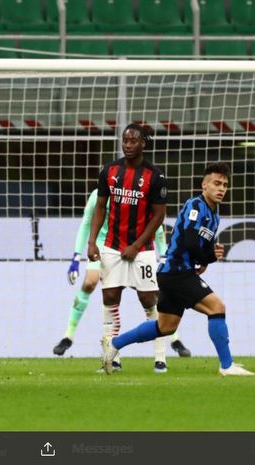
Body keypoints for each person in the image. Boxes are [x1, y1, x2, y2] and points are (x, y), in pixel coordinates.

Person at [103, 163, 253, 376]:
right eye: (216, 183)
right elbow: (191, 243)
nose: (221, 189)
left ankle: (115, 343)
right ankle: (227, 365)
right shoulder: (195, 206)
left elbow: (199, 249)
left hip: (174, 273)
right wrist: (206, 257)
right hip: (176, 272)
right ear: (204, 185)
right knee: (217, 308)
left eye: (225, 185)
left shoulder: (215, 216)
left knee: (166, 326)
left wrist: (210, 256)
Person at [53, 189, 191, 360]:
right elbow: (86, 222)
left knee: (150, 295)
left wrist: (163, 255)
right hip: (104, 245)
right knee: (91, 282)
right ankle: (69, 336)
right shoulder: (98, 195)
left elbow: (156, 227)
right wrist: (76, 257)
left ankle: (172, 340)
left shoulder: (136, 194)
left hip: (133, 248)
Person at [87, 124, 170, 373]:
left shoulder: (155, 176)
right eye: (125, 140)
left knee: (148, 300)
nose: (128, 144)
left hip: (142, 248)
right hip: (112, 246)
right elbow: (100, 206)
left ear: (144, 143)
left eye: (134, 140)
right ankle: (112, 356)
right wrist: (92, 241)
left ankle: (160, 356)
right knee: (110, 297)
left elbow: (158, 216)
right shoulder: (110, 170)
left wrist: (136, 244)